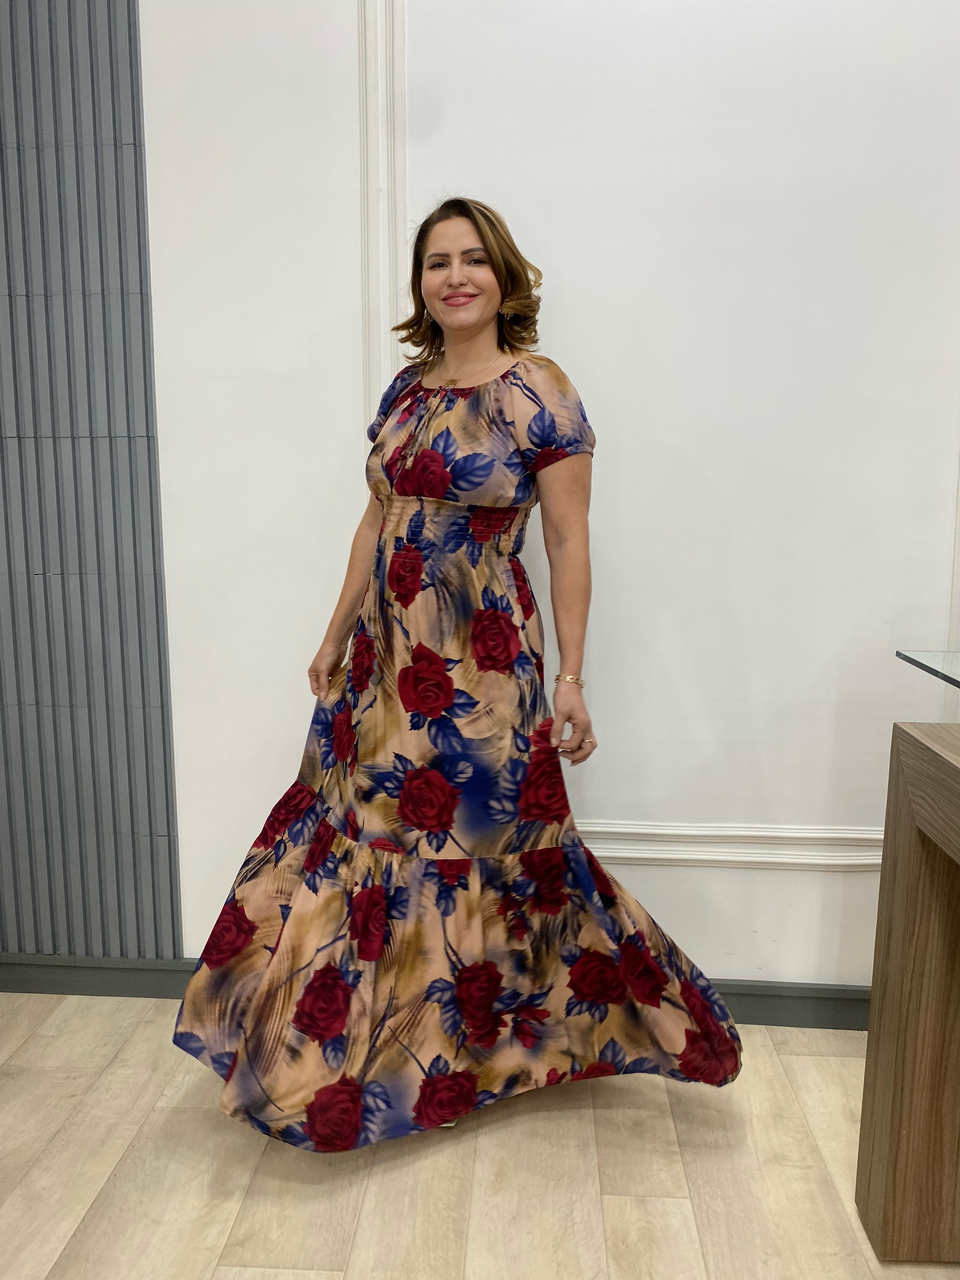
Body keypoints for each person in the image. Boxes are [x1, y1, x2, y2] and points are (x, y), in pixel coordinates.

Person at [172, 196, 743, 1153]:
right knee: (365, 840)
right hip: (384, 666)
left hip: (480, 666)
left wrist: (572, 677)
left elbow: (568, 539)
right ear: (421, 285)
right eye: (437, 263)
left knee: (484, 850)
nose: (455, 276)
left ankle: (492, 1052)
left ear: (503, 275)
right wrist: (333, 634)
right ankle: (352, 1064)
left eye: (472, 258)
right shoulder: (407, 390)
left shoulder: (538, 390)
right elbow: (375, 521)